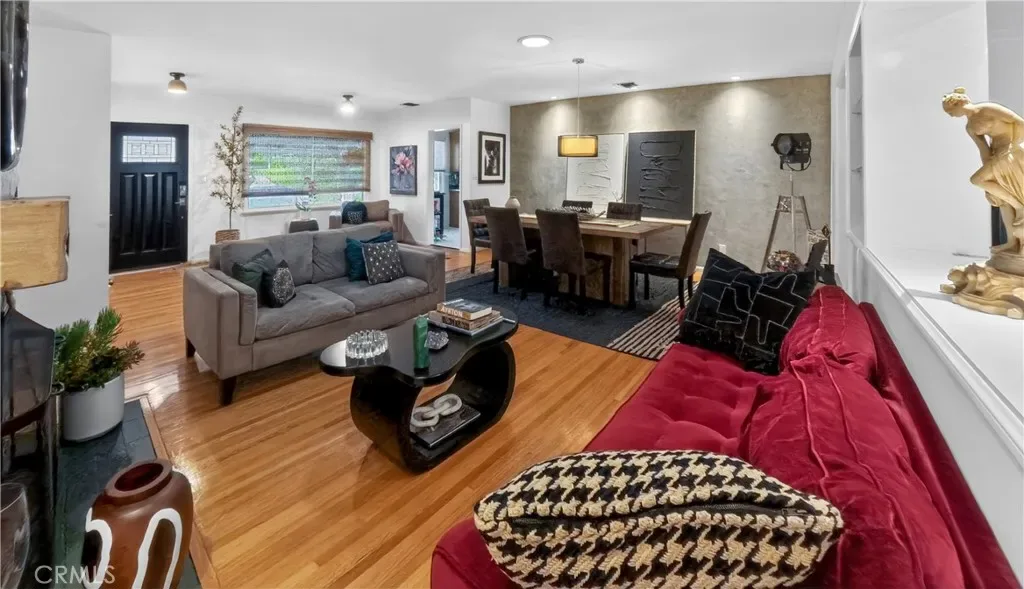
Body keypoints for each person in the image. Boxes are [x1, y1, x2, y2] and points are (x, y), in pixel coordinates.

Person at [942, 86, 1024, 255]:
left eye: (950, 111)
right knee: (999, 198)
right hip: (997, 156)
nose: (951, 115)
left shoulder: (988, 108)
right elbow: (983, 149)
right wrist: (990, 173)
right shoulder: (970, 127)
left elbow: (1019, 122)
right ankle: (1011, 241)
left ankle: (1019, 207)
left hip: (1011, 151)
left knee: (977, 180)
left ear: (957, 104)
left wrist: (1014, 145)